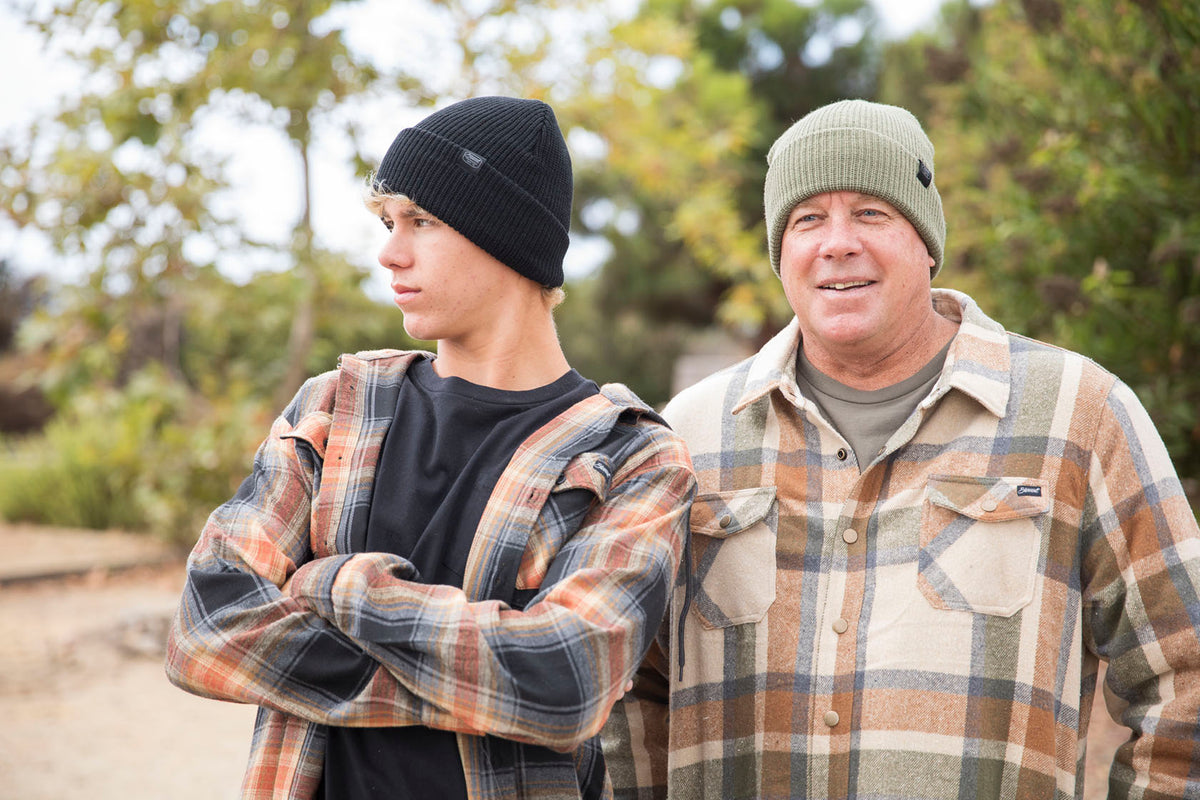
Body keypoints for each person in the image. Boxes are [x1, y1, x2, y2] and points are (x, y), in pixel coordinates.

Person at [602, 99, 1200, 799]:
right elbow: (628, 690)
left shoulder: (1078, 413)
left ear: (925, 239)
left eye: (871, 213)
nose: (837, 242)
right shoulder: (690, 436)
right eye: (808, 220)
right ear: (780, 251)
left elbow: (1183, 676)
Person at [165, 95, 695, 800]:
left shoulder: (630, 457)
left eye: (423, 221)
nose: (390, 252)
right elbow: (206, 626)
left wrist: (336, 586)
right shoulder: (334, 408)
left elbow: (566, 682)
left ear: (506, 235)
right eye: (389, 222)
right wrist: (485, 689)